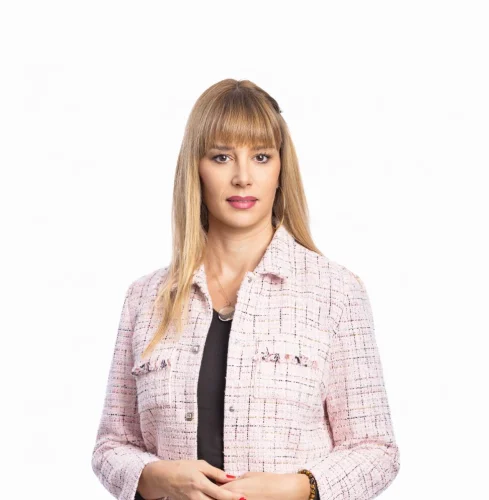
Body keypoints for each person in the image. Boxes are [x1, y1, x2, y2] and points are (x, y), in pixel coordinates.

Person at [91, 78, 400, 500]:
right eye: (221, 157)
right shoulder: (146, 298)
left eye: (260, 156)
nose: (242, 177)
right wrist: (156, 476)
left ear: (280, 168)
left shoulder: (335, 293)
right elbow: (111, 445)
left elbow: (376, 450)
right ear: (196, 169)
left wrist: (299, 487)